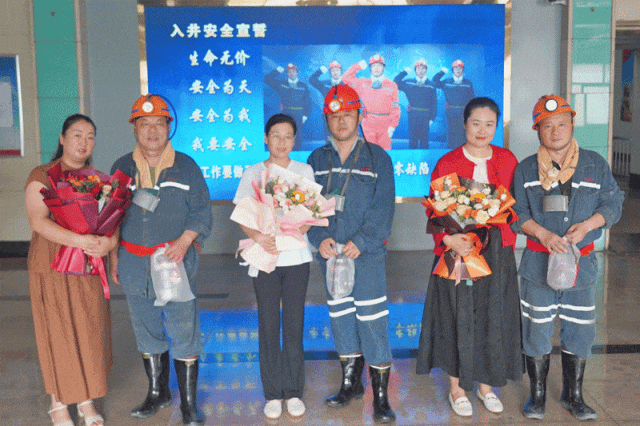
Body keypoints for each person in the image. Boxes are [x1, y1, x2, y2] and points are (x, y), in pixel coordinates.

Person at [512, 94, 624, 421]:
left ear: (572, 125)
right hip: (537, 267)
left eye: (562, 124)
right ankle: (536, 397)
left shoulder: (594, 164)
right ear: (537, 130)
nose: (556, 131)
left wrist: (588, 225)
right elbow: (516, 213)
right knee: (536, 331)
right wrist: (543, 234)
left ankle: (573, 395)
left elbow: (613, 203)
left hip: (580, 268)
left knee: (580, 331)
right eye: (547, 125)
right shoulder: (526, 169)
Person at [416, 97, 523, 417]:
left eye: (489, 124)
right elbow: (436, 211)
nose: (482, 130)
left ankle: (487, 387)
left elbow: (515, 207)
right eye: (476, 123)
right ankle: (457, 389)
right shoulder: (448, 162)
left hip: (496, 252)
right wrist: (448, 238)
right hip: (458, 249)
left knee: (493, 315)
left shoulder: (507, 159)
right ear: (464, 124)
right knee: (457, 315)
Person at [110, 94, 212, 425]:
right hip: (134, 263)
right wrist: (114, 258)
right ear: (134, 128)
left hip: (174, 261)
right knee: (146, 328)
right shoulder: (121, 167)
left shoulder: (186, 166)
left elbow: (201, 211)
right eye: (144, 124)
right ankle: (158, 393)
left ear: (169, 127)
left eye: (159, 123)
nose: (152, 131)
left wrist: (184, 242)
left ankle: (189, 404)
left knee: (184, 330)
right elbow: (110, 217)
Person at [307, 84, 396, 423]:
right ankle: (350, 384)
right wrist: (319, 237)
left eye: (347, 115)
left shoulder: (377, 158)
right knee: (341, 318)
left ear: (360, 117)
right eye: (334, 117)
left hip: (366, 256)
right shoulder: (316, 160)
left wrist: (364, 239)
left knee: (372, 322)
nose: (341, 122)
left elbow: (383, 207)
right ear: (326, 120)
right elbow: (306, 207)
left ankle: (381, 397)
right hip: (331, 256)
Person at [25, 114, 114, 426]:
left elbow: (112, 222)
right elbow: (38, 220)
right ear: (62, 139)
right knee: (58, 331)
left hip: (88, 266)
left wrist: (108, 243)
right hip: (52, 264)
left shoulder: (100, 180)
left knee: (90, 330)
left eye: (90, 136)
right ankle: (59, 403)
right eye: (77, 135)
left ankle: (86, 401)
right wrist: (81, 240)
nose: (84, 142)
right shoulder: (43, 175)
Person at [232, 113, 313, 420]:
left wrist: (290, 233)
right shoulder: (252, 172)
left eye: (288, 136)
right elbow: (243, 214)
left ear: (294, 140)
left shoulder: (303, 170)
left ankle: (293, 391)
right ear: (266, 138)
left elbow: (311, 214)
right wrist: (258, 236)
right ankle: (272, 393)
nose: (282, 142)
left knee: (293, 323)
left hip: (295, 257)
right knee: (267, 323)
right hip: (263, 254)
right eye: (276, 135)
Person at [342, 54, 400, 150]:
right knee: (369, 153)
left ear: (383, 67)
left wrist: (393, 126)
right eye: (373, 65)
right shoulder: (363, 84)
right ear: (370, 68)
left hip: (385, 125)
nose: (376, 68)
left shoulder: (392, 85)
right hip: (368, 124)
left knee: (384, 154)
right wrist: (358, 66)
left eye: (379, 65)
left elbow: (395, 108)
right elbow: (345, 78)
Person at [264, 63, 312, 149]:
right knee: (285, 134)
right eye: (289, 72)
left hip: (299, 114)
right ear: (287, 74)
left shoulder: (303, 86)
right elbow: (267, 79)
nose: (292, 73)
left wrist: (305, 115)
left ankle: (297, 154)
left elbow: (307, 102)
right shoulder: (281, 84)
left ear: (297, 72)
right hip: (286, 113)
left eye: (294, 71)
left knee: (298, 136)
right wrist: (277, 70)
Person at [393, 58, 438, 149]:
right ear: (415, 70)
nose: (421, 70)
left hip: (426, 116)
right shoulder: (409, 82)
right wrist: (404, 72)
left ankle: (424, 158)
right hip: (413, 115)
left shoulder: (431, 85)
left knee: (424, 141)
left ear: (426, 70)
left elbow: (434, 103)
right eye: (418, 68)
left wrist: (432, 118)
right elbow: (395, 82)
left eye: (423, 68)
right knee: (413, 141)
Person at [433, 59, 475, 149]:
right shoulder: (446, 82)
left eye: (460, 68)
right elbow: (434, 81)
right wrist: (442, 72)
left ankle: (460, 155)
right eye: (456, 68)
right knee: (450, 135)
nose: (458, 70)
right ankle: (450, 154)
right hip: (450, 112)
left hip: (463, 112)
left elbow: (472, 99)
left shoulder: (468, 83)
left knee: (461, 135)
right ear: (452, 70)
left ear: (463, 70)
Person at [310, 61, 343, 141]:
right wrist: (319, 71)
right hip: (328, 116)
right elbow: (312, 80)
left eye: (337, 70)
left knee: (341, 139)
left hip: (341, 116)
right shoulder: (325, 84)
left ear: (340, 71)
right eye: (333, 70)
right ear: (330, 72)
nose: (335, 72)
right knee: (329, 140)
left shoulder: (346, 85)